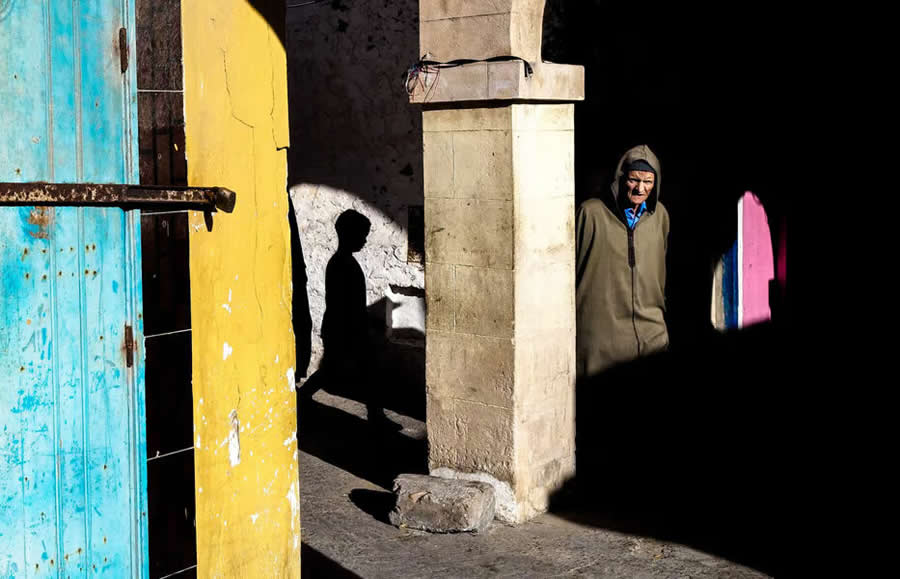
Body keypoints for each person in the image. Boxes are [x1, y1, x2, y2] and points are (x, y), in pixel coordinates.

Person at [575, 144, 670, 376]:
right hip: (601, 340)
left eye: (648, 182)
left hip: (651, 333)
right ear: (620, 179)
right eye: (634, 180)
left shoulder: (660, 216)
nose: (640, 188)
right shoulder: (591, 214)